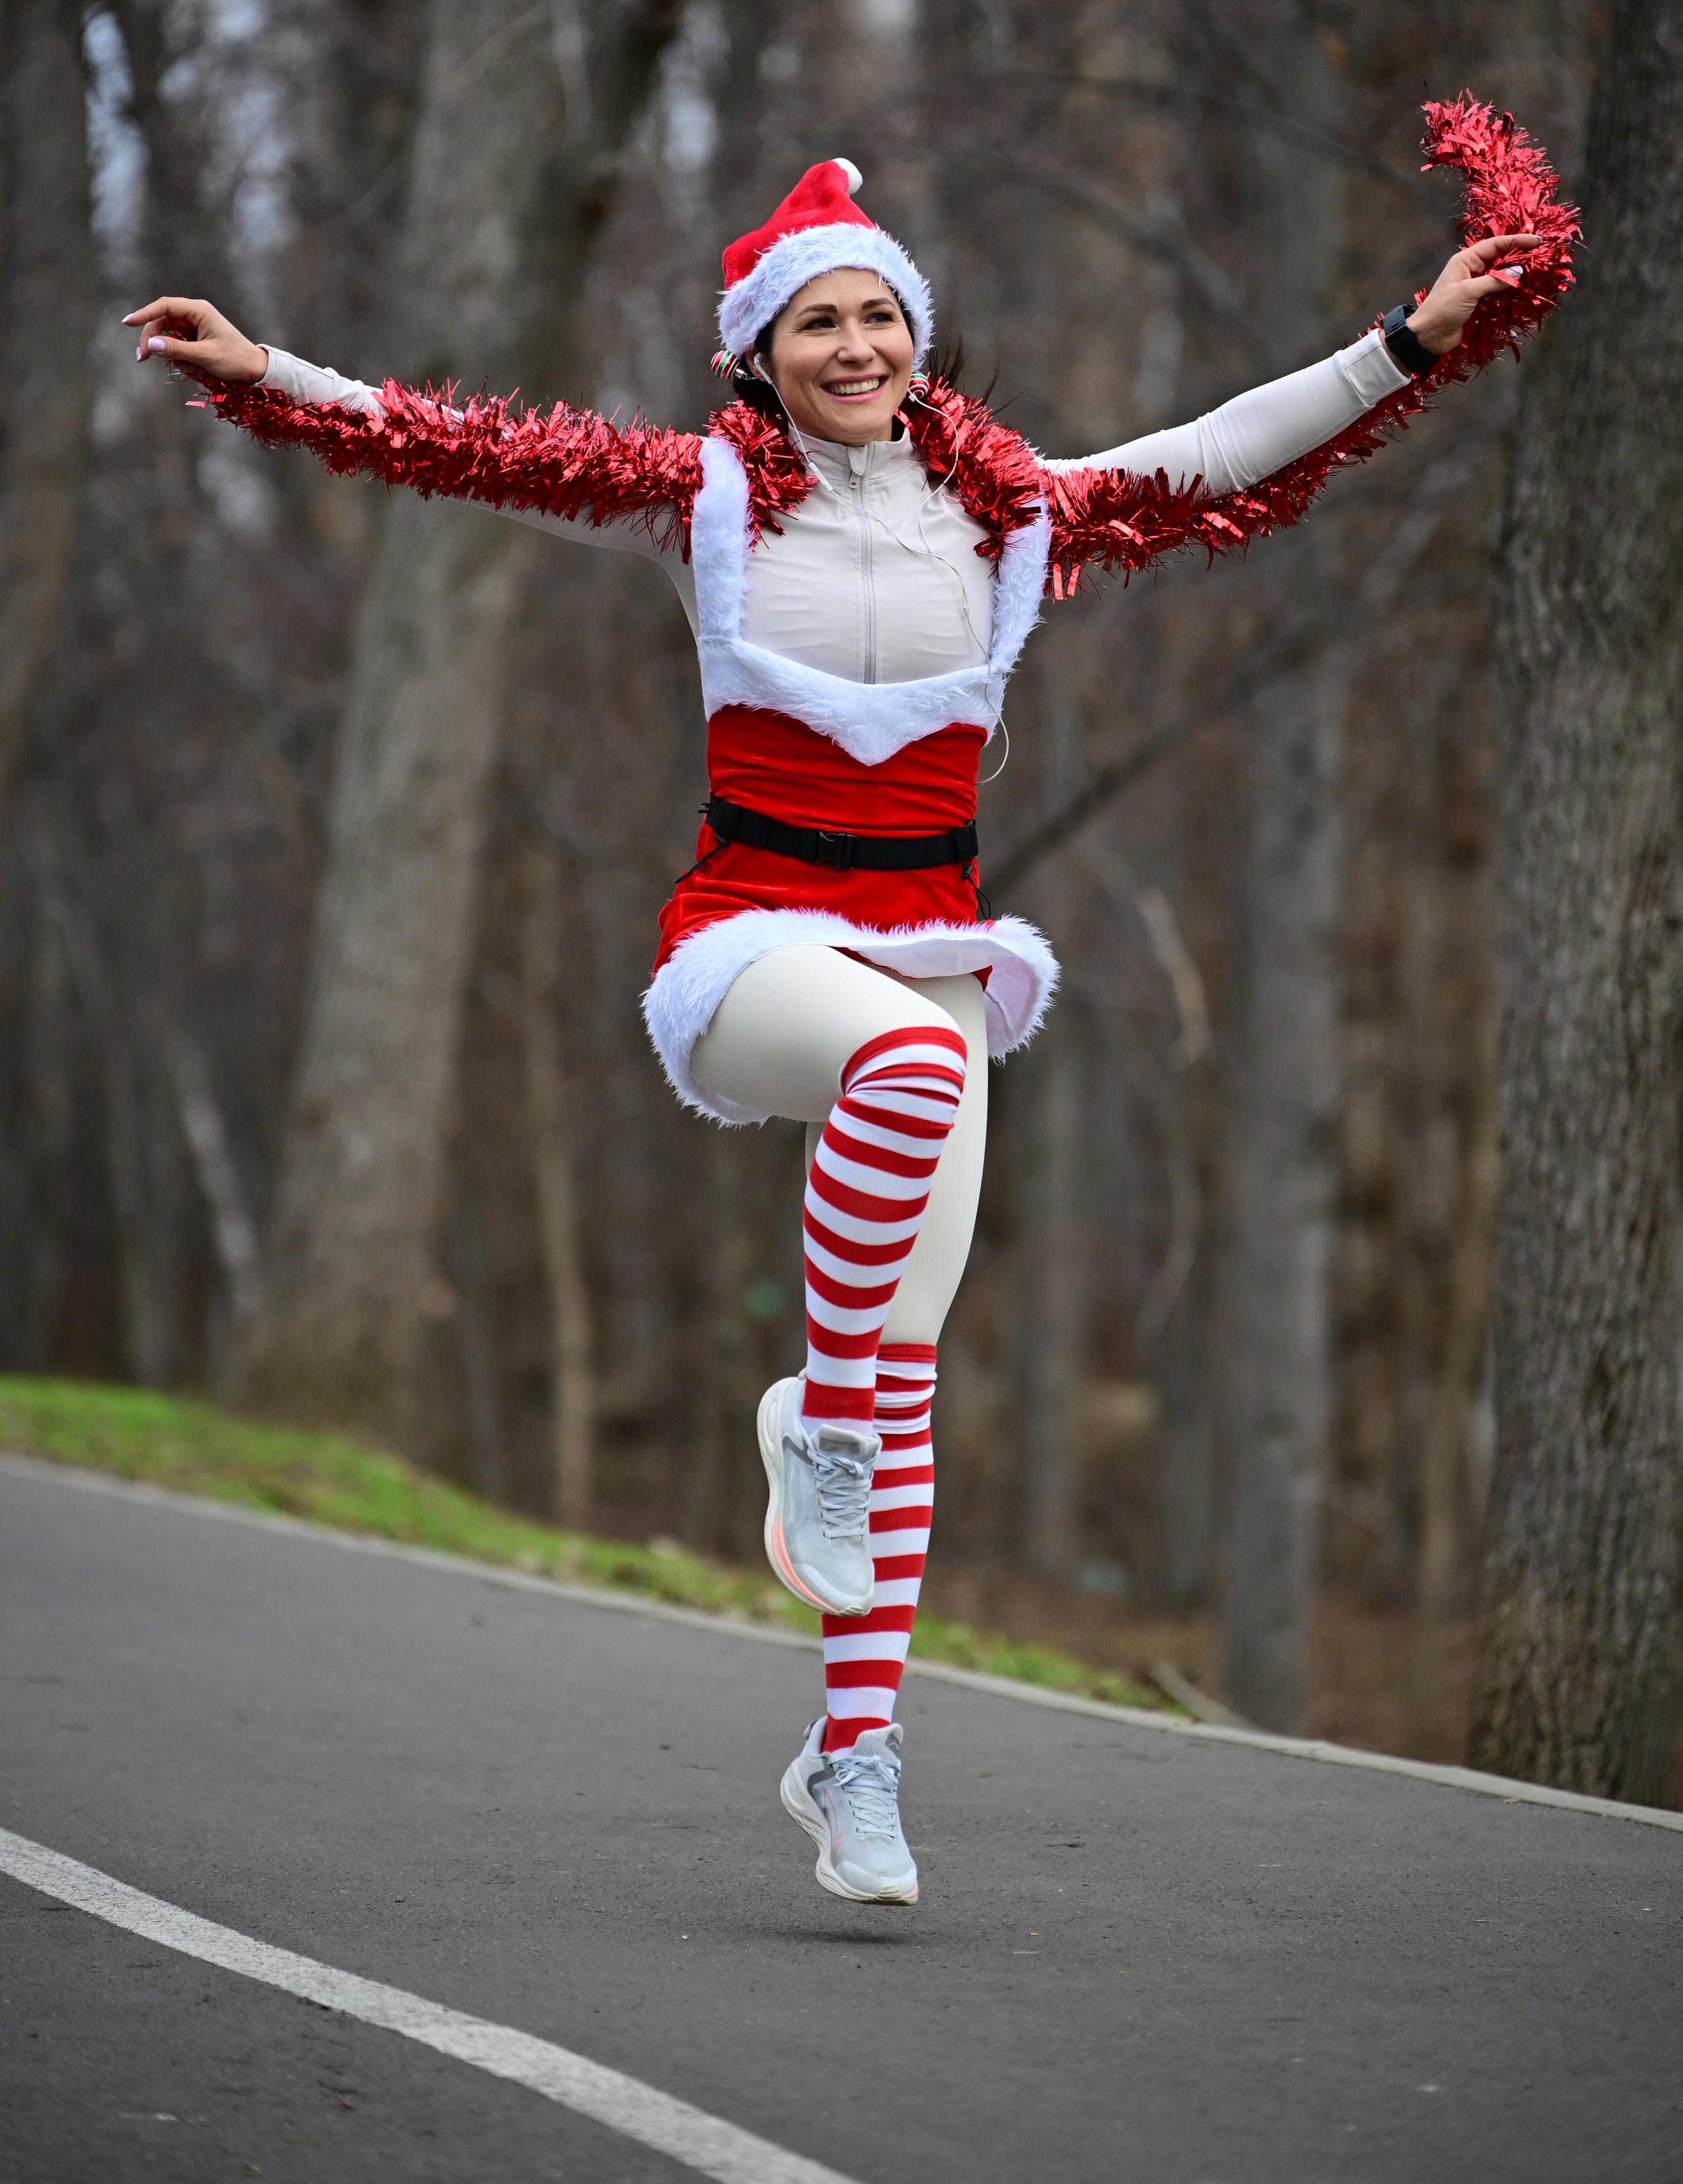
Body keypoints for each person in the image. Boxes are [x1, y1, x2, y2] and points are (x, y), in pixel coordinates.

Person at [128, 117, 1557, 1906]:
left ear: (920, 336)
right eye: (818, 325)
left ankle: (854, 1757)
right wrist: (268, 375)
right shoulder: (702, 499)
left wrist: (1412, 338)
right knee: (888, 1120)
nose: (857, 346)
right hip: (750, 954)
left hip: (924, 947)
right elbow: (469, 447)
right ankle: (809, 1416)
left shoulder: (1013, 506)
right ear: (757, 352)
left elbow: (1217, 450)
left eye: (881, 317)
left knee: (906, 1370)